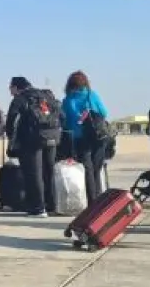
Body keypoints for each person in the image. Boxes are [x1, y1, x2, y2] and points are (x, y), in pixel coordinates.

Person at [7, 76, 59, 217]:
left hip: (31, 140)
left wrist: (12, 138)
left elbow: (11, 120)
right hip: (52, 138)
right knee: (48, 172)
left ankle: (38, 208)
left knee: (34, 174)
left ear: (17, 87)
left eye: (10, 87)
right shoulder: (46, 96)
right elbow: (61, 115)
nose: (9, 90)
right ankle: (51, 205)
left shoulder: (20, 99)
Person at [61, 71, 109, 205]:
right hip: (98, 137)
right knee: (97, 169)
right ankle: (99, 198)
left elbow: (65, 122)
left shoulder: (67, 100)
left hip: (80, 138)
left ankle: (92, 200)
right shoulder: (91, 95)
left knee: (87, 170)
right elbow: (104, 112)